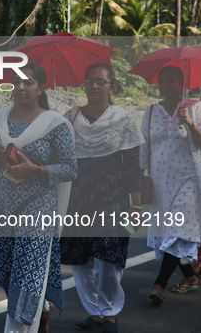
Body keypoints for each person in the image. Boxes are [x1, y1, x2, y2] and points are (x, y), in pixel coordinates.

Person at [0, 63, 78, 333]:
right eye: (16, 82)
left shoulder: (54, 124)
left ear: (41, 88)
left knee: (27, 275)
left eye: (28, 82)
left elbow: (70, 168)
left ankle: (18, 327)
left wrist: (36, 170)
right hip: (1, 207)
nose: (20, 87)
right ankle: (40, 309)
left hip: (38, 207)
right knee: (7, 272)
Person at [60, 63, 144, 333]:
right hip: (77, 196)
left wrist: (136, 203)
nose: (94, 85)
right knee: (82, 259)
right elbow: (53, 152)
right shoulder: (70, 118)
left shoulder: (122, 119)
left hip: (113, 196)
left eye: (100, 81)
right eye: (90, 80)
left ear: (112, 87)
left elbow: (133, 165)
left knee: (107, 255)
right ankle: (95, 312)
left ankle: (109, 314)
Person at [142, 66, 201, 304]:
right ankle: (189, 277)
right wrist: (140, 179)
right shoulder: (150, 111)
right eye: (162, 82)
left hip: (188, 179)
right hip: (158, 182)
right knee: (172, 233)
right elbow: (144, 146)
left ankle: (159, 285)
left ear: (181, 83)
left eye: (171, 81)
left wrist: (189, 122)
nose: (166, 86)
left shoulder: (196, 107)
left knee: (177, 230)